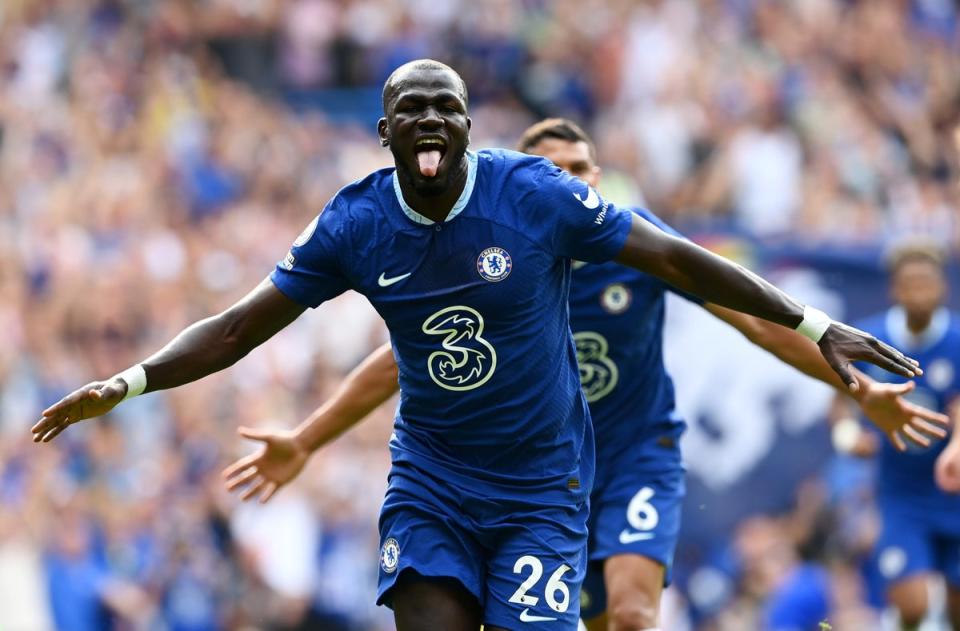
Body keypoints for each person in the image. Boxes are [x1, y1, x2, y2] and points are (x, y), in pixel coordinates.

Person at [34, 60, 924, 631]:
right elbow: (250, 331)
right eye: (409, 109)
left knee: (634, 612)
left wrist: (820, 329)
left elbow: (715, 285)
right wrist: (131, 382)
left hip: (556, 479)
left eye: (446, 107)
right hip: (434, 479)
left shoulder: (543, 205)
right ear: (385, 134)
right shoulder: (354, 224)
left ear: (471, 127)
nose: (429, 120)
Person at [221, 119, 948, 631]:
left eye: (579, 170)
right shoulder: (499, 256)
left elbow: (753, 320)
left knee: (631, 614)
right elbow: (392, 367)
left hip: (635, 454)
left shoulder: (635, 245)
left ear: (597, 181)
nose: (566, 183)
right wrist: (307, 439)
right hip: (537, 474)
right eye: (551, 171)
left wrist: (855, 389)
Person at [831, 243, 960, 631]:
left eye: (926, 282)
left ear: (942, 287)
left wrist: (956, 446)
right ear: (894, 289)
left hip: (953, 491)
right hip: (900, 495)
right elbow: (840, 399)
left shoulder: (957, 341)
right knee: (912, 603)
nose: (919, 291)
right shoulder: (869, 338)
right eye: (910, 283)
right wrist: (847, 435)